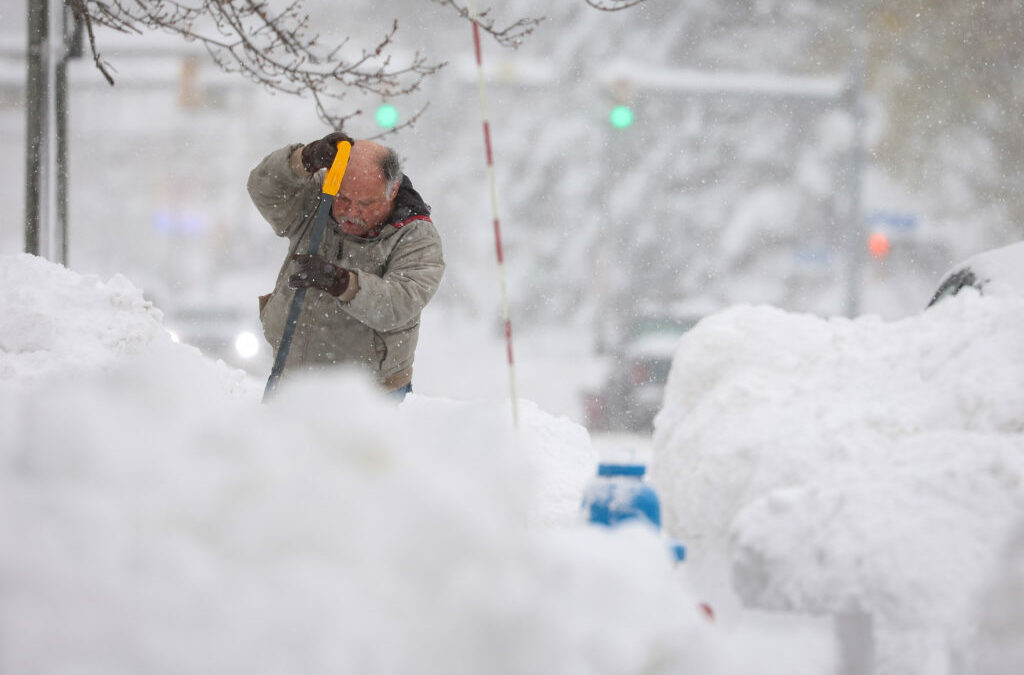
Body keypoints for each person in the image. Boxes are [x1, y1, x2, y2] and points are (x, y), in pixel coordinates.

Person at [248, 131, 444, 399]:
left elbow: (399, 304)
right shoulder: (318, 198)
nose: (351, 212)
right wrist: (302, 160)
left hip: (372, 393)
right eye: (343, 199)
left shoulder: (416, 236)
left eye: (365, 203)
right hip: (292, 377)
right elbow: (264, 189)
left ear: (393, 190)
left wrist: (341, 283)